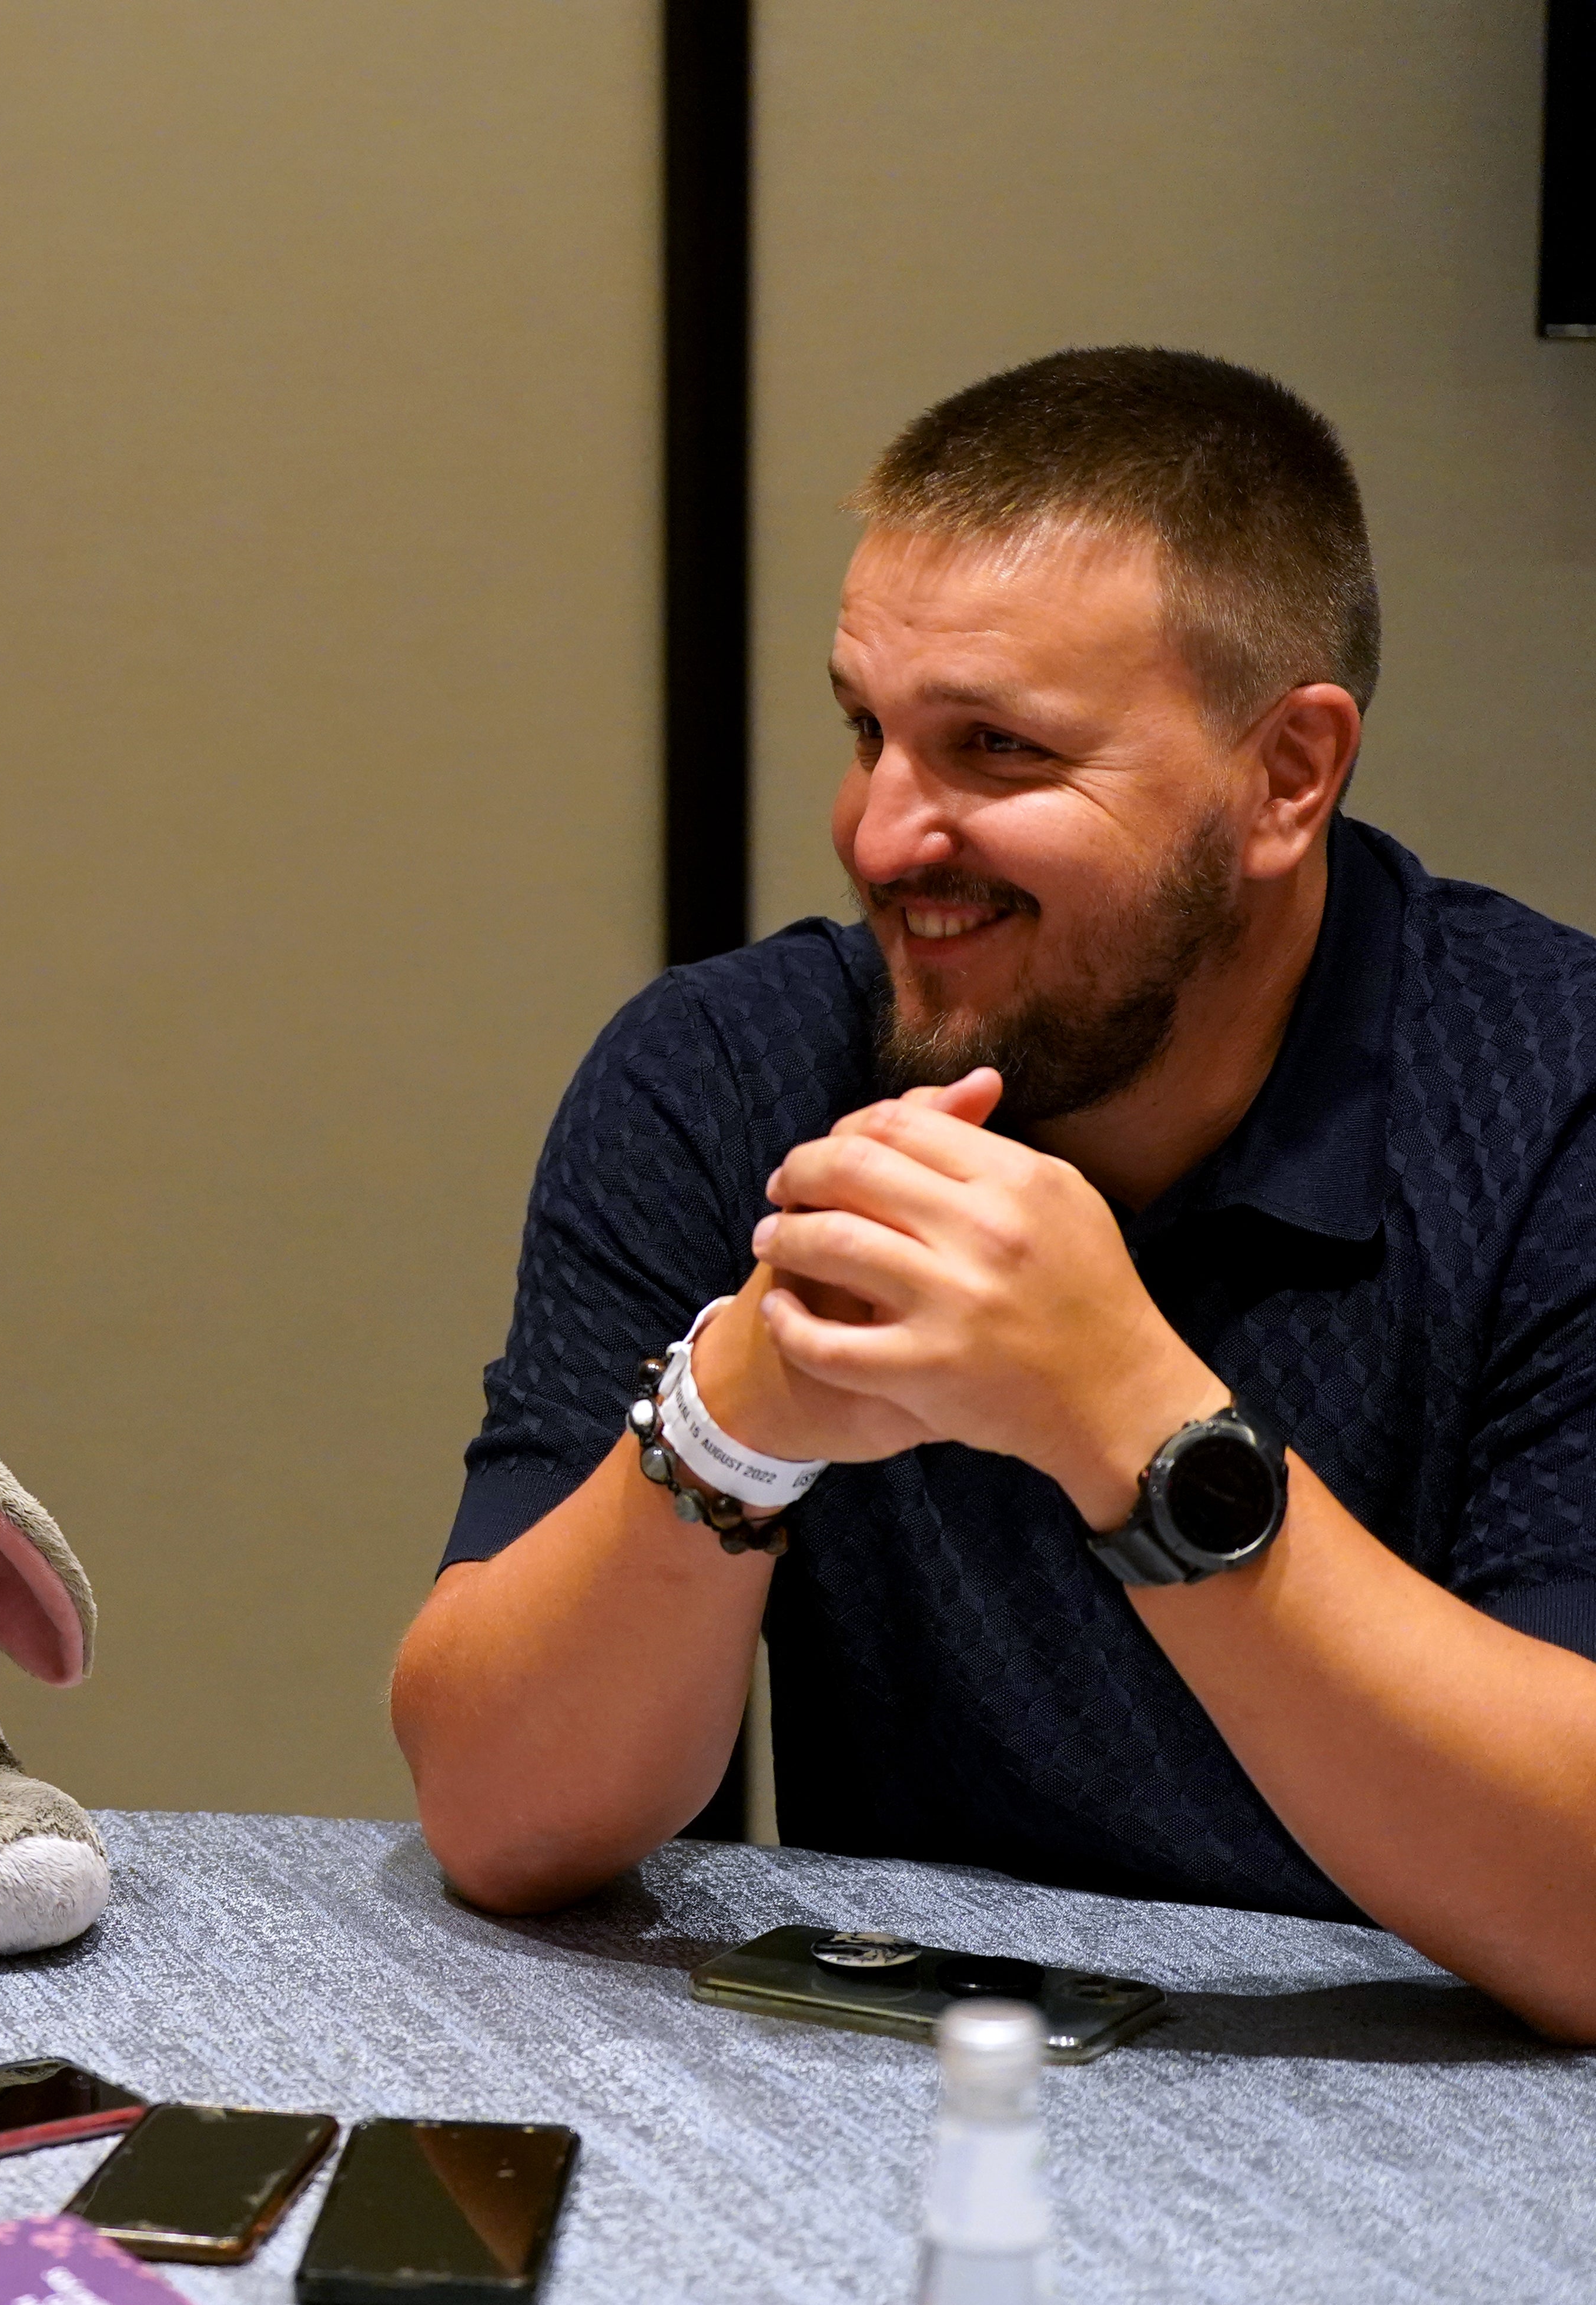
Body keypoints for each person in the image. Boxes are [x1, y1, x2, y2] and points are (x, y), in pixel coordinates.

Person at [392, 347, 1596, 2042]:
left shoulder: (1554, 1103)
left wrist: (1125, 1416)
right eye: (867, 730)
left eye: (994, 751)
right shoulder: (735, 1074)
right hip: (890, 2098)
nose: (882, 834)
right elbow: (500, 1818)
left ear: (1284, 778)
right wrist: (734, 1413)